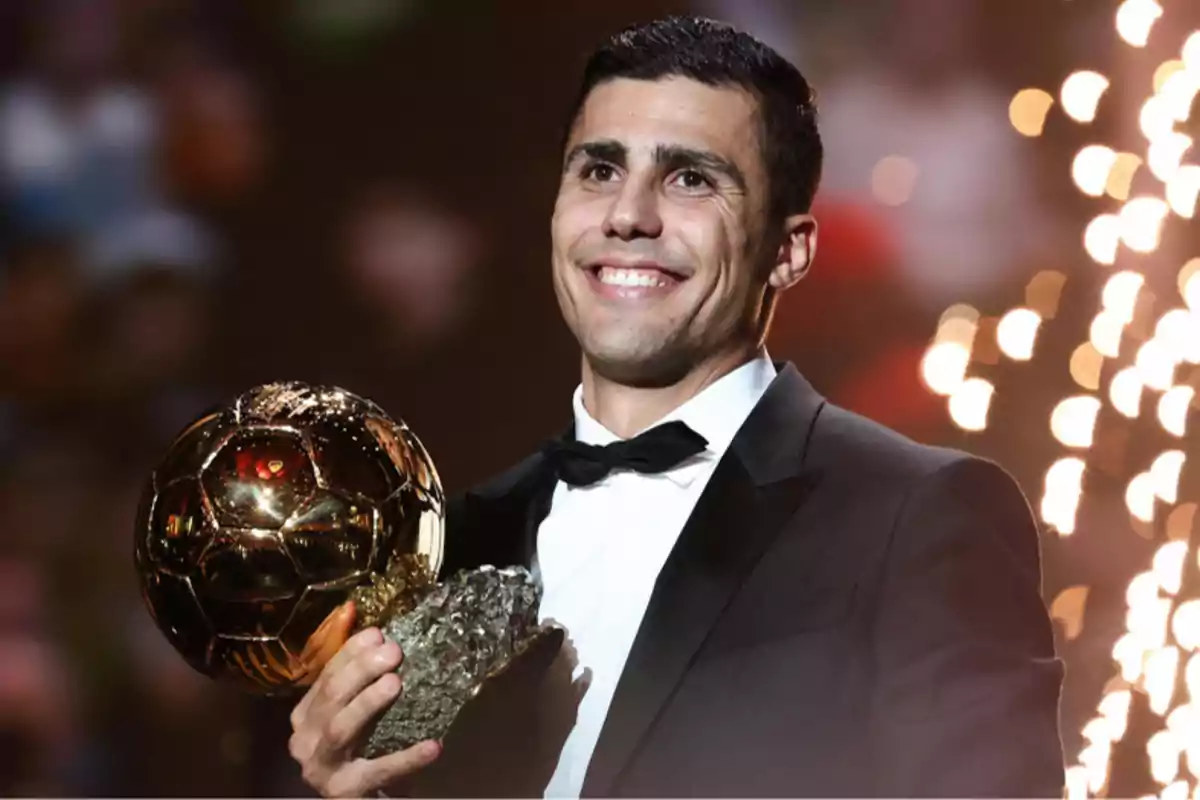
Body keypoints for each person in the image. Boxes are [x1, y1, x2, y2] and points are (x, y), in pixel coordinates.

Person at [286, 15, 1065, 798]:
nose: (627, 215)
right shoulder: (455, 542)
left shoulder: (918, 518)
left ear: (788, 250)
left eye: (691, 178)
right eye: (597, 171)